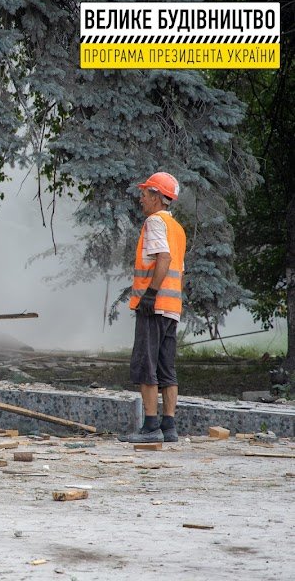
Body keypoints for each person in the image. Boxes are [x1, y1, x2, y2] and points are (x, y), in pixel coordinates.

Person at [123, 172, 187, 443]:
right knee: (166, 367)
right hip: (171, 307)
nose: (141, 198)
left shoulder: (155, 221)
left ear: (159, 198)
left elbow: (163, 258)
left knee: (146, 365)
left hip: (154, 306)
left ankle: (150, 427)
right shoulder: (177, 228)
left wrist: (149, 294)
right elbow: (178, 267)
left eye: (146, 193)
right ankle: (168, 426)